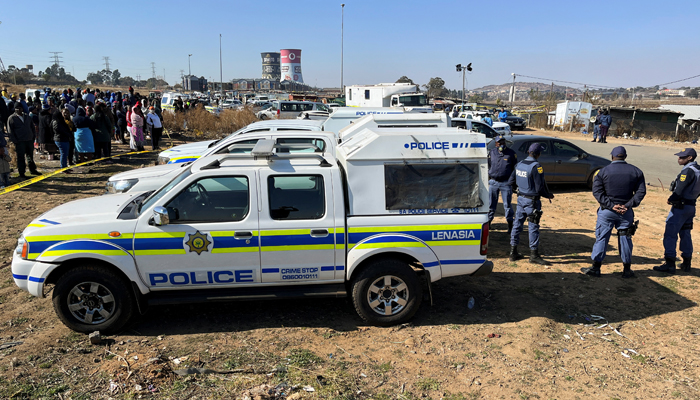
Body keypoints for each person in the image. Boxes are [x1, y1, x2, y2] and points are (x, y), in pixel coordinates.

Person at [582, 146, 646, 277]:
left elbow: (597, 192)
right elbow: (641, 192)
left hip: (607, 211)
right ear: (625, 157)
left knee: (602, 238)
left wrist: (611, 205)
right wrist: (628, 205)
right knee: (625, 238)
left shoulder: (603, 171)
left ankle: (596, 268)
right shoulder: (636, 171)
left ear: (612, 156)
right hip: (626, 212)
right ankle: (627, 270)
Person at [654, 148, 700, 274]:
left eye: (682, 157)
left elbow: (680, 188)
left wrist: (672, 199)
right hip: (691, 206)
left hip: (680, 206)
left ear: (689, 158)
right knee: (685, 233)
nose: (679, 159)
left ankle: (669, 263)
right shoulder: (698, 170)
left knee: (670, 234)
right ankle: (687, 262)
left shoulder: (688, 171)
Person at [508, 143, 554, 265]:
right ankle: (533, 255)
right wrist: (548, 195)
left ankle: (513, 252)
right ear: (538, 154)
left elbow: (511, 181)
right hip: (532, 201)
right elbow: (539, 188)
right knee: (533, 227)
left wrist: (518, 190)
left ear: (529, 152)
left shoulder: (520, 164)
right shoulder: (536, 166)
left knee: (517, 225)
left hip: (520, 199)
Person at [488, 135, 517, 232]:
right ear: (496, 144)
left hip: (506, 183)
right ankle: (488, 224)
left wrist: (512, 183)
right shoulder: (492, 153)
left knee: (507, 205)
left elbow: (514, 168)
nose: (501, 145)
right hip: (493, 183)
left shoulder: (511, 153)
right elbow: (488, 165)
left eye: (503, 142)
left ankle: (510, 225)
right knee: (491, 205)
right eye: (499, 143)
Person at [6, 104, 39, 178]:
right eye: (16, 108)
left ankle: (32, 170)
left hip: (29, 139)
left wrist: (33, 137)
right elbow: (10, 131)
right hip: (19, 141)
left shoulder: (27, 117)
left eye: (19, 108)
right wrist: (14, 141)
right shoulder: (12, 118)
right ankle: (21, 172)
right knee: (21, 157)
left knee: (30, 156)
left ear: (22, 109)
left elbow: (32, 127)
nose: (18, 110)